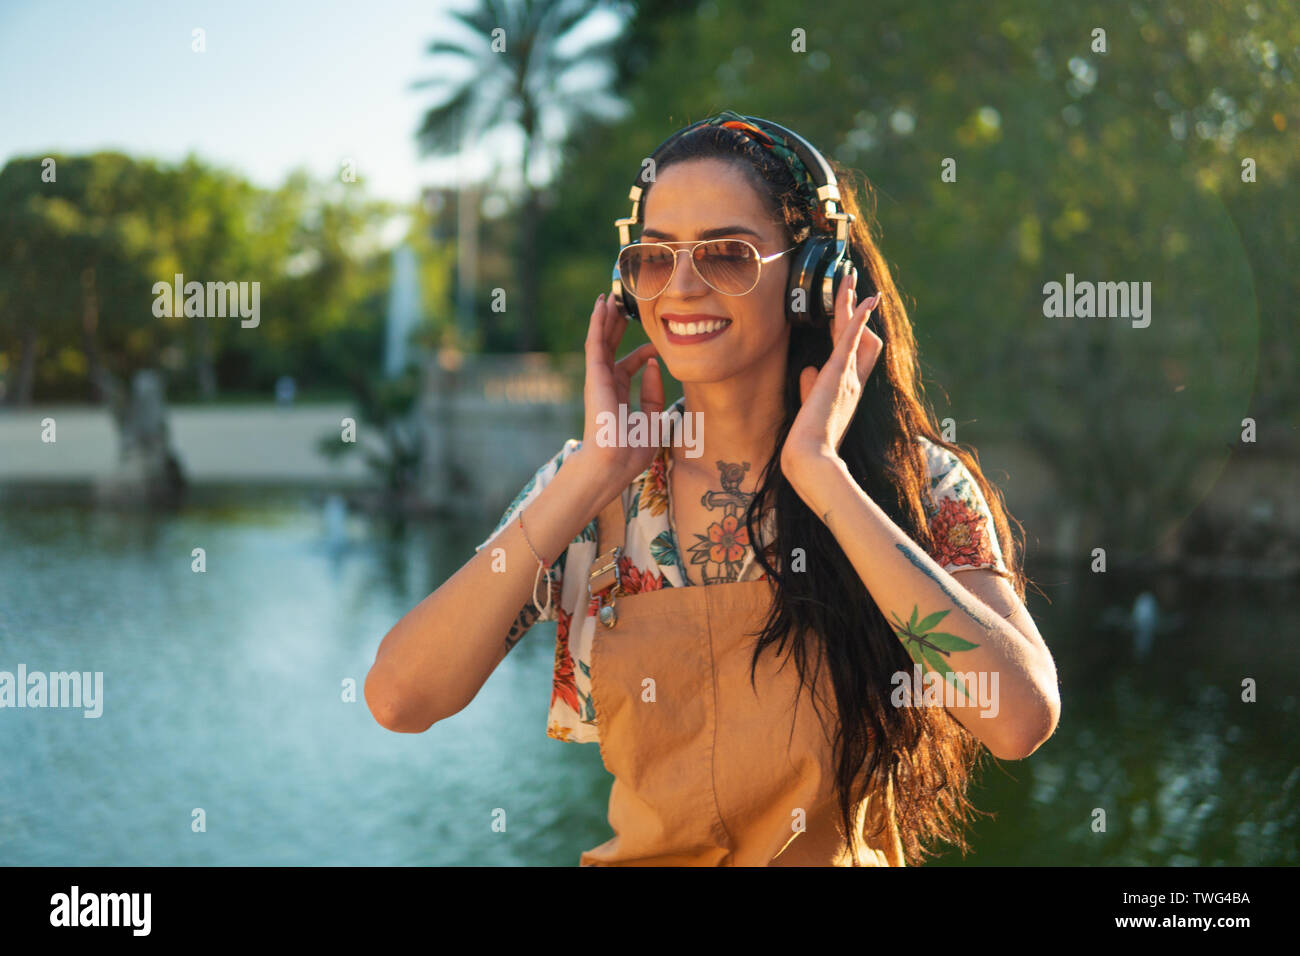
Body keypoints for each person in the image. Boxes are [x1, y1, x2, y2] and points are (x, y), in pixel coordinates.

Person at [365, 111, 1061, 866]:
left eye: (727, 255)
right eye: (654, 259)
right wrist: (591, 475)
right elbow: (401, 700)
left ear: (809, 278)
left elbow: (1018, 719)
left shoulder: (912, 482)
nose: (682, 288)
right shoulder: (597, 493)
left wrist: (824, 481)